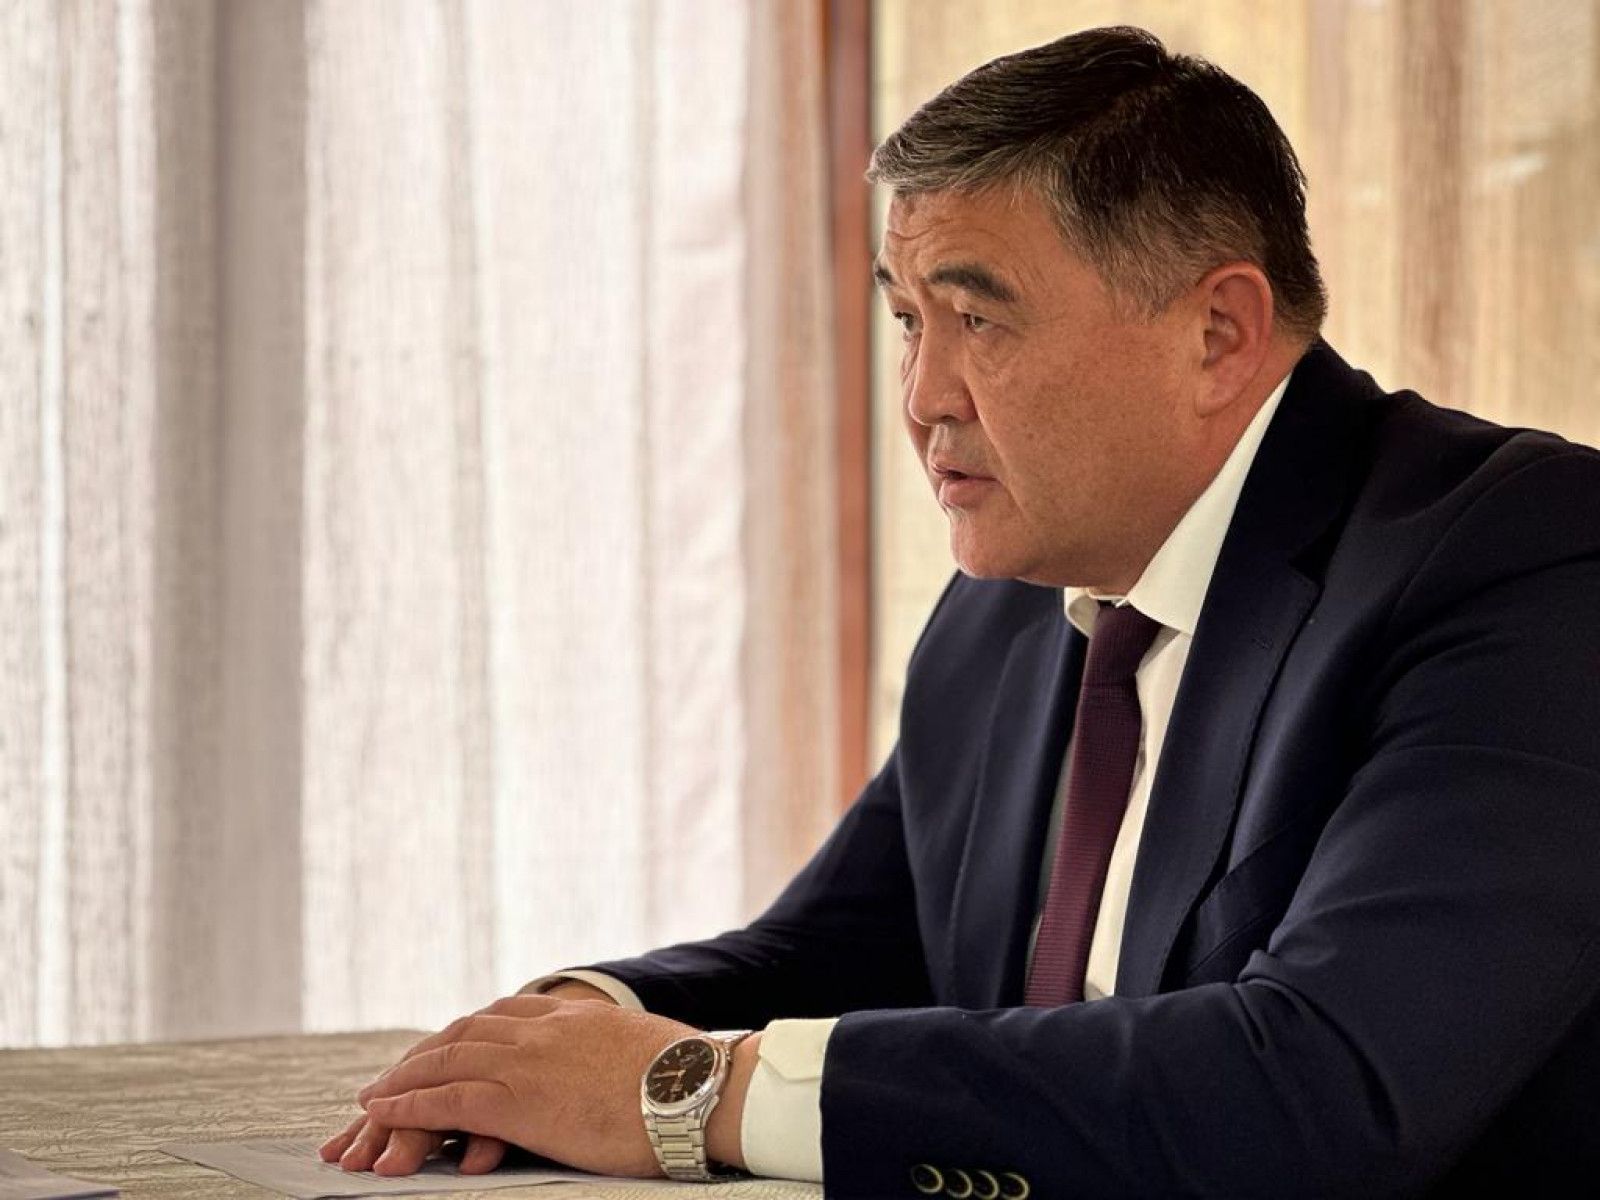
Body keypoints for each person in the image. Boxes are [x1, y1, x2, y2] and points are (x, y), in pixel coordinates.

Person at [319, 26, 1600, 1197]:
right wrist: (561, 1032)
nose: (923, 396)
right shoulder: (1013, 602)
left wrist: (684, 1093)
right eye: (905, 320)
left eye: (976, 318)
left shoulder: (1526, 559)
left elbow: (1321, 1087)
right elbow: (845, 949)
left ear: (1217, 332)